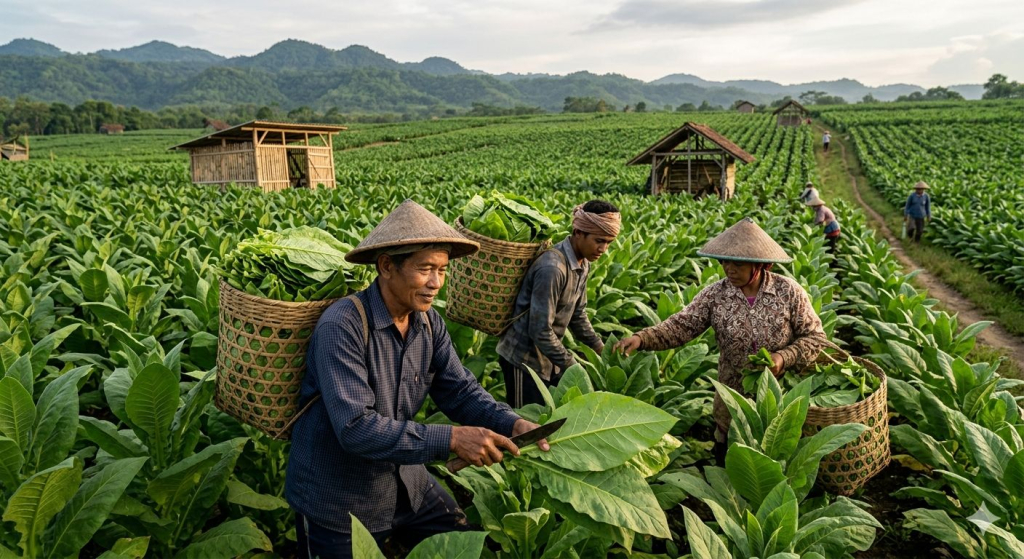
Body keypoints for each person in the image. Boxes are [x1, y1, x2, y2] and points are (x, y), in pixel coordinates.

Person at [286, 200, 548, 558]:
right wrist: (454, 438)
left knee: (461, 542)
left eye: (442, 270)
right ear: (386, 266)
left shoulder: (427, 323)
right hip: (340, 499)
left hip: (407, 483)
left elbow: (460, 390)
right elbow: (356, 428)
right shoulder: (342, 325)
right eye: (425, 268)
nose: (436, 282)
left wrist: (511, 422)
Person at [613, 218, 826, 449]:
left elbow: (815, 338)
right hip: (732, 396)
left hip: (780, 394)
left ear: (762, 265)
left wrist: (784, 357)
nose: (729, 269)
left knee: (775, 449)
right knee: (729, 452)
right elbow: (682, 325)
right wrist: (642, 338)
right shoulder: (715, 295)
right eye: (724, 261)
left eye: (738, 264)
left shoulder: (788, 292)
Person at [497, 200, 621, 407]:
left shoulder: (584, 263)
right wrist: (571, 364)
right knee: (524, 426)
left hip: (548, 358)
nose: (604, 249)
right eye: (599, 241)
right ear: (578, 232)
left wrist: (599, 346)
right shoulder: (552, 268)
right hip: (523, 360)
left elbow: (578, 314)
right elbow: (540, 330)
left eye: (609, 242)